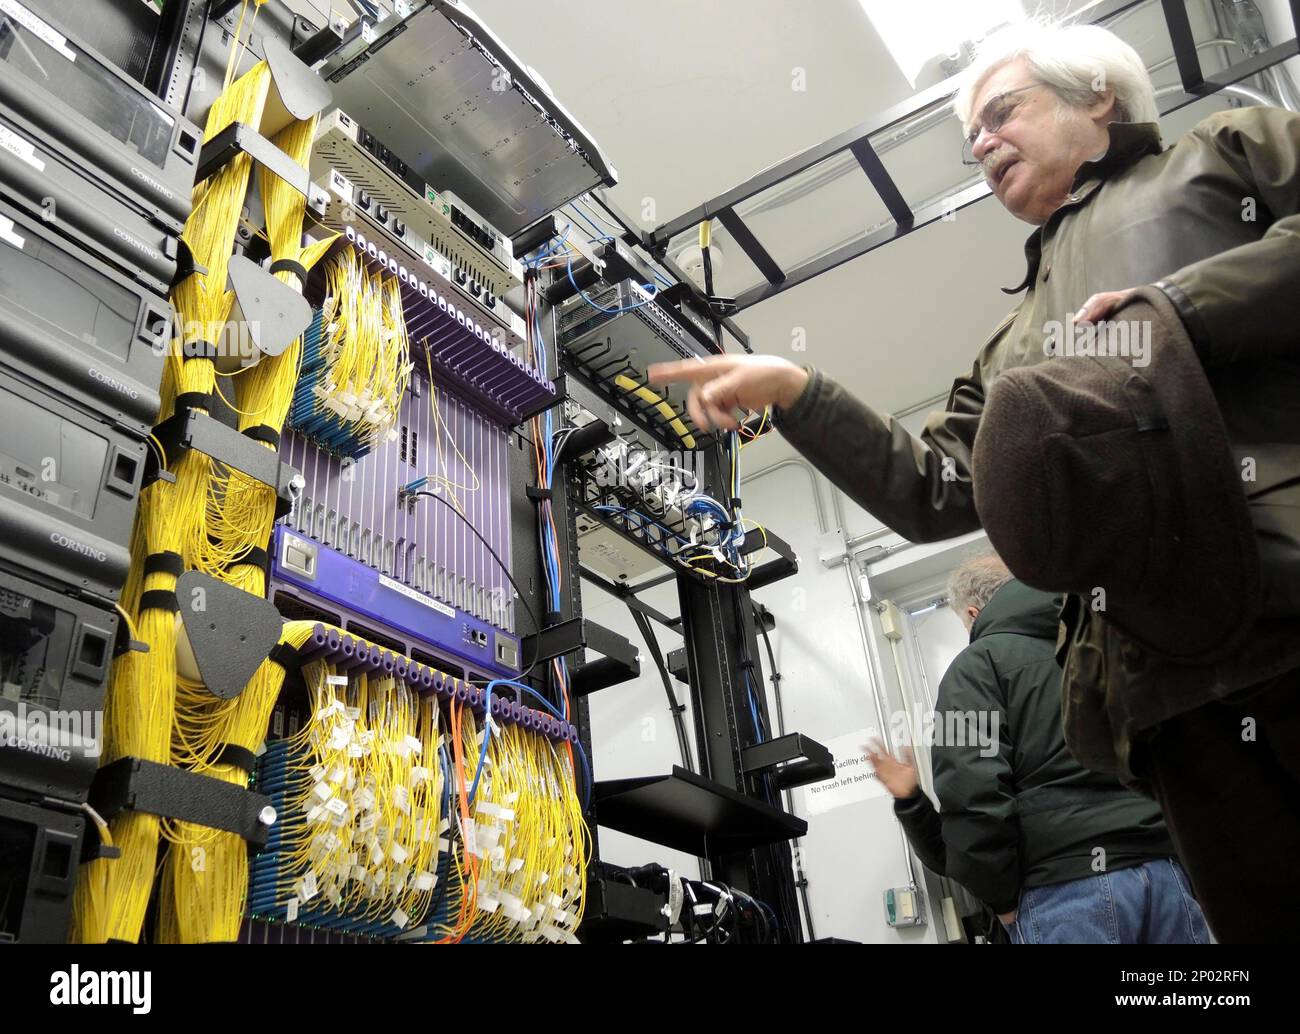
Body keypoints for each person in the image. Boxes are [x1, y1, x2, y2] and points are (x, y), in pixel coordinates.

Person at [648, 21, 1300, 942]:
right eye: (972, 137)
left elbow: (969, 784)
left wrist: (1178, 312)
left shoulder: (1223, 155)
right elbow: (936, 489)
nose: (983, 143)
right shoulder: (1010, 347)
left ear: (1098, 100)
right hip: (1166, 699)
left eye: (1003, 112)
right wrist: (801, 392)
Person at [870, 554, 1208, 944]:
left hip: (1067, 891)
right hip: (1165, 875)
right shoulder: (1109, 645)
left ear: (974, 612)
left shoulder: (975, 666)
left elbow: (974, 798)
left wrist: (1000, 898)